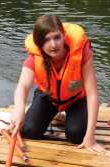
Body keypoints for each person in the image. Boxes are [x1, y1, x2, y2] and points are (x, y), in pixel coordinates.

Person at [10, 14, 104, 153]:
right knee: (30, 130)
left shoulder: (82, 53)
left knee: (77, 135)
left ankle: (66, 118)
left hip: (76, 99)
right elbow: (22, 86)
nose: (53, 44)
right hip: (49, 97)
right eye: (46, 40)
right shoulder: (34, 58)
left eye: (56, 37)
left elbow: (92, 95)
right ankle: (55, 114)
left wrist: (90, 136)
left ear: (64, 35)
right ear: (39, 43)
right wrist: (19, 110)